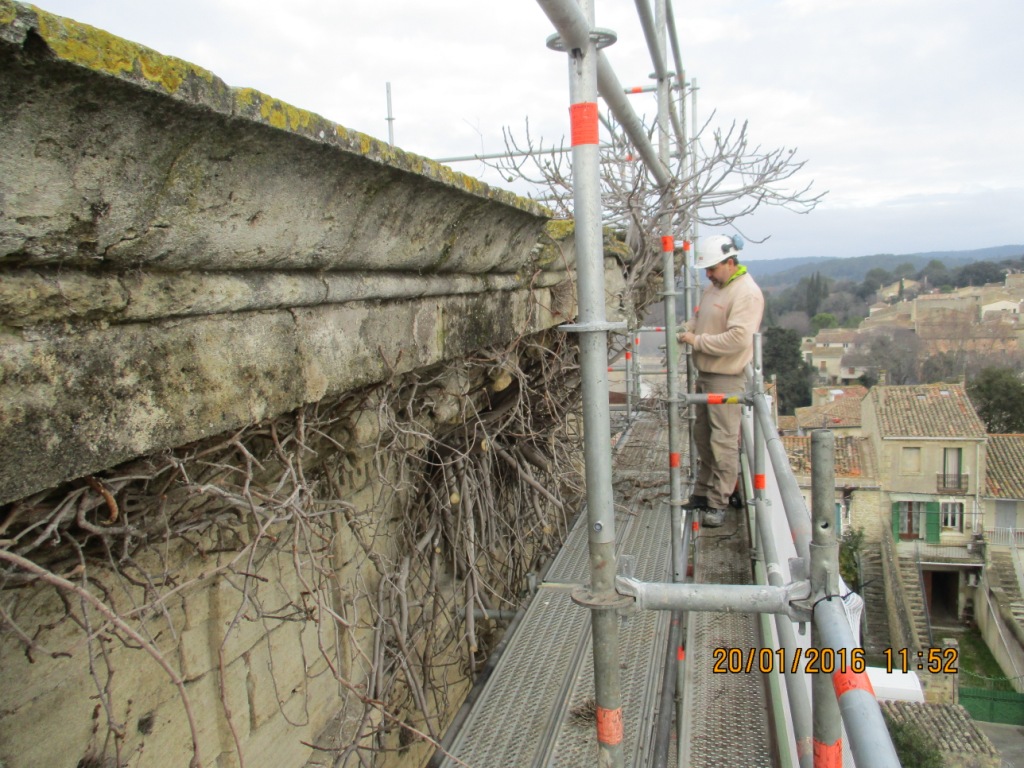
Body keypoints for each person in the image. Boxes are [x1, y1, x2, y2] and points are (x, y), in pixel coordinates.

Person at [676, 234, 764, 527]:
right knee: (703, 436)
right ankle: (703, 492)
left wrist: (696, 340)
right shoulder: (715, 288)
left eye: (712, 268)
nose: (708, 275)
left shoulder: (745, 293)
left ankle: (718, 502)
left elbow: (738, 340)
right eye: (706, 270)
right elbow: (700, 318)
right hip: (707, 375)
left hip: (726, 378)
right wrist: (688, 327)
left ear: (730, 261)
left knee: (723, 442)